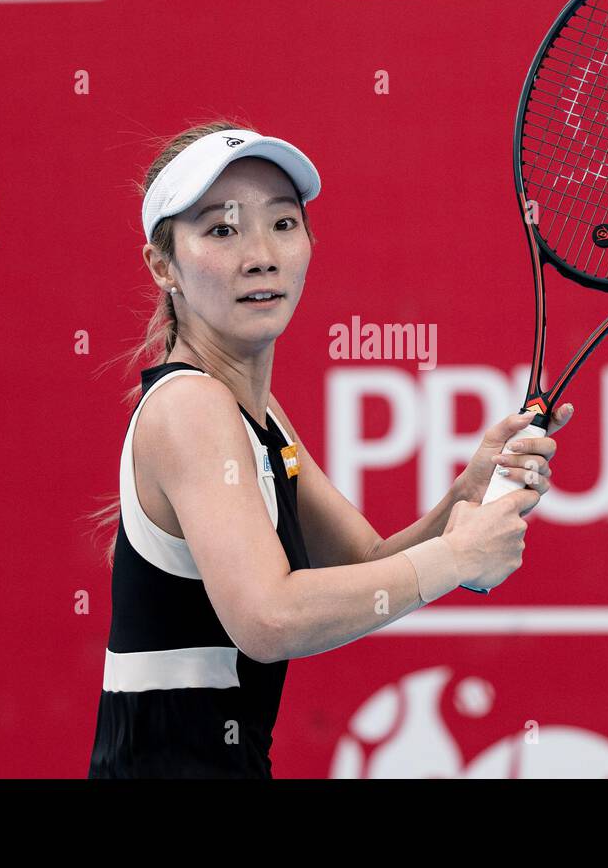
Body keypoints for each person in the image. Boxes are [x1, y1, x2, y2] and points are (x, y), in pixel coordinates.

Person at [87, 120, 573, 778]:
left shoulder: (254, 414)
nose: (260, 254)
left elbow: (365, 565)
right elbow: (269, 617)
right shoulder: (191, 409)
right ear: (162, 264)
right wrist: (458, 554)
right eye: (221, 230)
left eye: (282, 224)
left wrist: (467, 496)